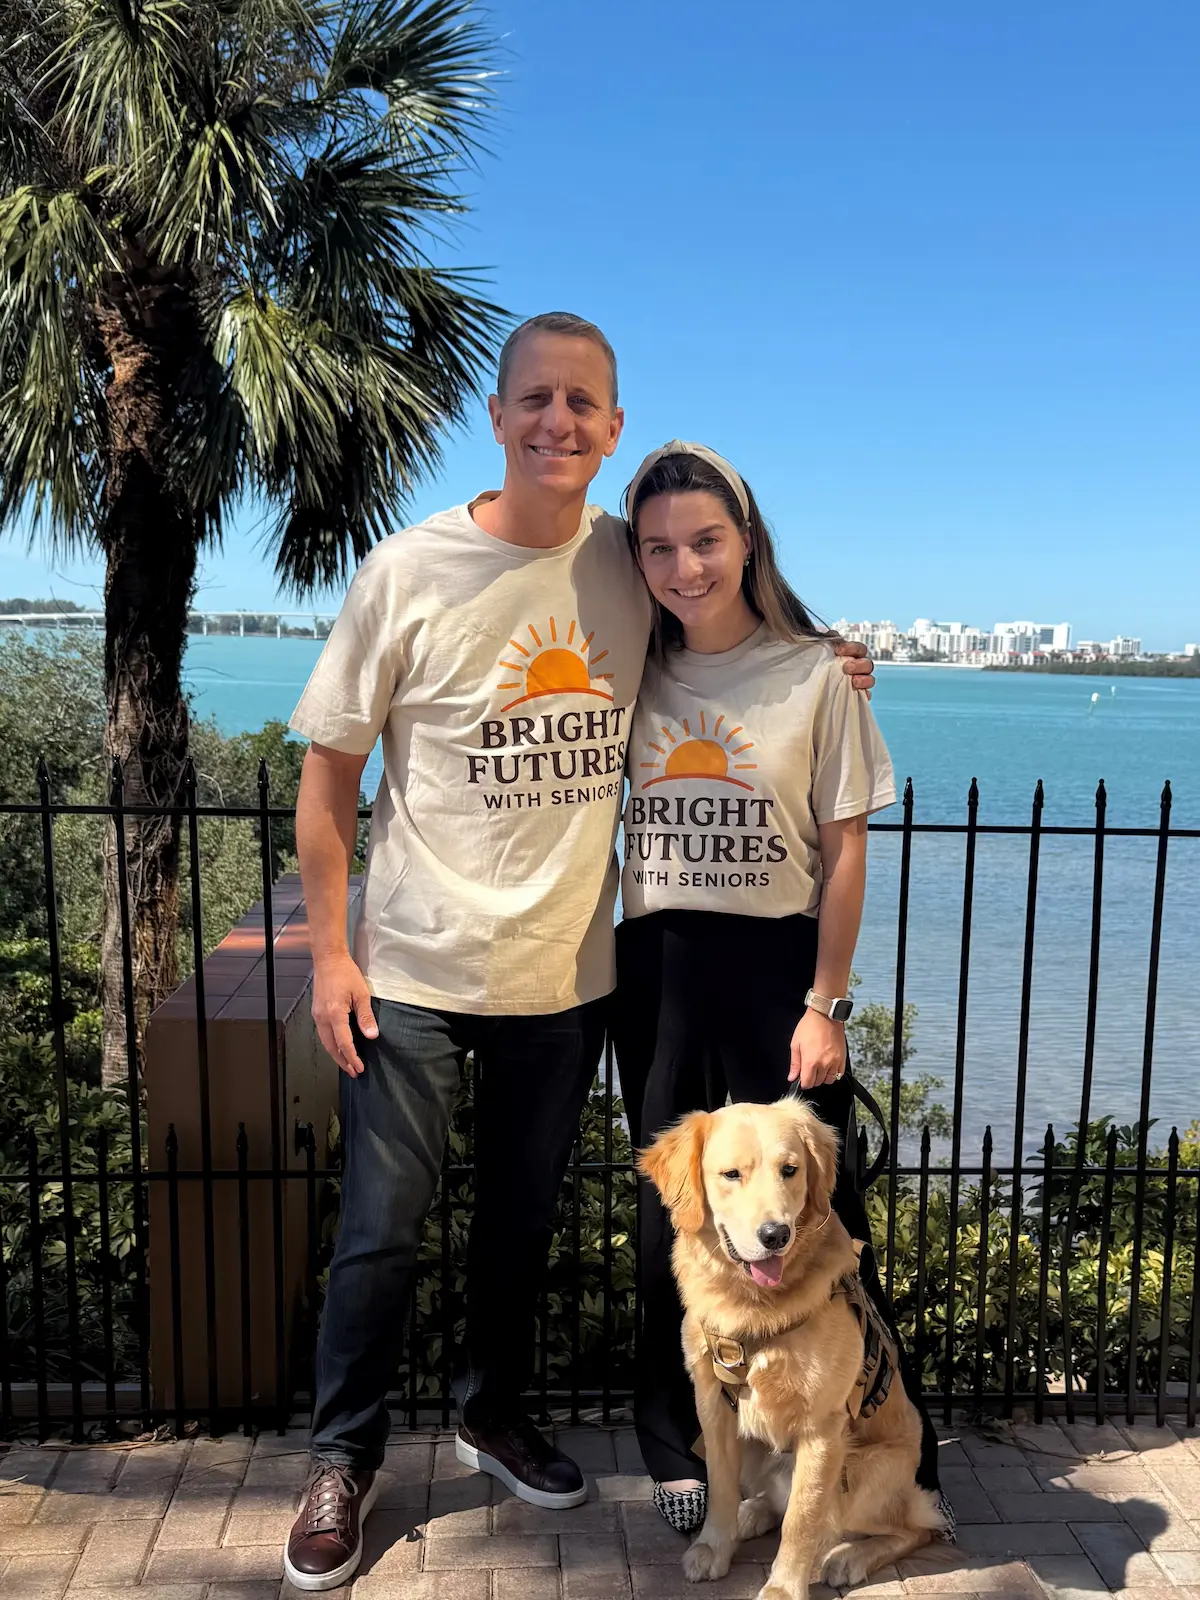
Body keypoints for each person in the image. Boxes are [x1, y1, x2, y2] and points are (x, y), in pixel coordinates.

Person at [283, 316, 875, 1592]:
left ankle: (490, 1411)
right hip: (412, 971)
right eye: (535, 399)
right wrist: (331, 955)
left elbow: (726, 618)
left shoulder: (626, 558)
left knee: (521, 1224)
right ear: (497, 416)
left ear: (612, 429)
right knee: (380, 1230)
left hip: (565, 980)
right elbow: (327, 777)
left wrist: (831, 659)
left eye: (582, 404)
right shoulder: (408, 570)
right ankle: (342, 1456)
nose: (557, 421)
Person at [611, 441, 948, 1539]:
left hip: (777, 972)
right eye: (658, 547)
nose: (685, 567)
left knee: (818, 1217)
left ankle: (876, 1430)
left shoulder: (817, 675)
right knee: (679, 1216)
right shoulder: (628, 663)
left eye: (706, 540)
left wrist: (826, 1002)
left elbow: (845, 851)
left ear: (747, 541)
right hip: (657, 967)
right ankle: (680, 1442)